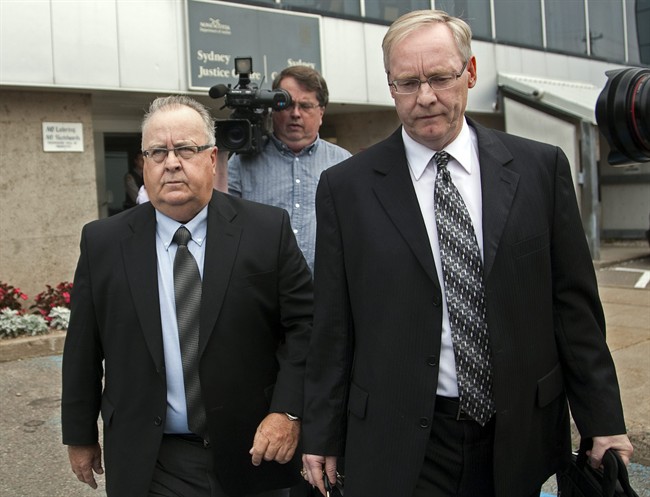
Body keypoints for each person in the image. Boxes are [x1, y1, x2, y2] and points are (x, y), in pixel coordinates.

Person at [301, 9, 633, 497]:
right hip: (400, 438)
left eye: (440, 77)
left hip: (518, 433)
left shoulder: (540, 169)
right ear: (390, 86)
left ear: (470, 72)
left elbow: (574, 311)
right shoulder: (345, 188)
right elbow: (333, 325)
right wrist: (321, 432)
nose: (425, 97)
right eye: (407, 83)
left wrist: (602, 420)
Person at [62, 95, 313, 497]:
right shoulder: (103, 243)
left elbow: (306, 327)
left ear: (212, 159)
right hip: (152, 457)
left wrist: (288, 411)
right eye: (157, 152)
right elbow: (82, 347)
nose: (172, 163)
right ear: (144, 164)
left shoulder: (267, 231)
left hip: (253, 450)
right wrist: (79, 434)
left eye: (185, 149)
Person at [227, 65, 351, 272]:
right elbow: (221, 218)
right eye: (287, 104)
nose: (295, 114)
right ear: (273, 108)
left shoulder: (343, 163)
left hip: (324, 285)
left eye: (305, 106)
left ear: (321, 112)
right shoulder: (241, 161)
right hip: (261, 283)